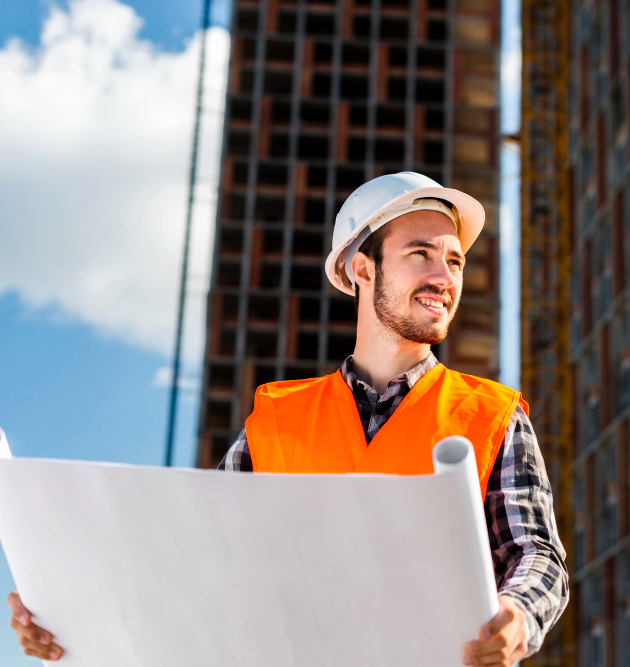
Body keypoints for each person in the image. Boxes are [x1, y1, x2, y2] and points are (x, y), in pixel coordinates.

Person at [8, 172, 568, 667]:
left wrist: (517, 617)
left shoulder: (490, 414)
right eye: (420, 253)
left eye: (454, 261)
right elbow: (190, 555)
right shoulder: (277, 419)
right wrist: (68, 617)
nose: (444, 277)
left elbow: (538, 556)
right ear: (362, 269)